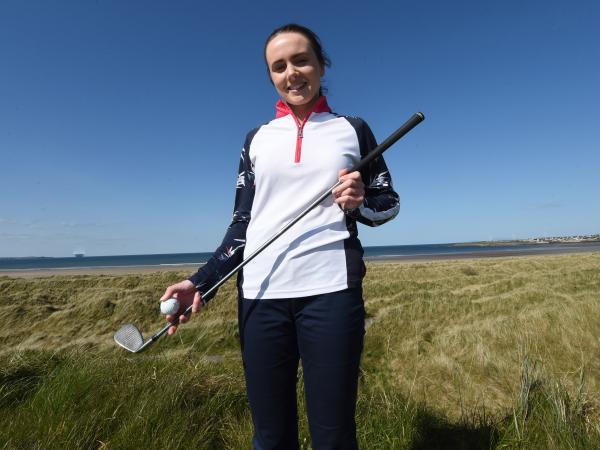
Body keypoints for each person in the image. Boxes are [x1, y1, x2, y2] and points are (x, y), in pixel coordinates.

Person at [161, 23, 399, 450]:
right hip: (259, 296)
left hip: (332, 293)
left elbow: (388, 203)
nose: (292, 72)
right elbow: (242, 226)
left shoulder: (353, 128)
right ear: (271, 75)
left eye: (301, 60)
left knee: (334, 435)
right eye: (279, 66)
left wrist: (358, 201)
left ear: (321, 65)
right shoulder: (256, 139)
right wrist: (199, 283)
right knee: (270, 438)